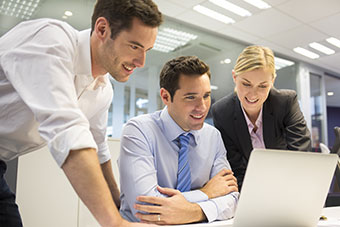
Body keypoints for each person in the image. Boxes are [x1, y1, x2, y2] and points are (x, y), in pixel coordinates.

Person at [0, 0, 162, 226]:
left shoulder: (103, 89)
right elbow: (66, 129)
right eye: (134, 46)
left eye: (147, 50)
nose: (141, 62)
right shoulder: (50, 41)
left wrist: (120, 207)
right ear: (102, 29)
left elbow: (98, 149)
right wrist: (115, 223)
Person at [118, 56, 239, 225]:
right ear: (166, 97)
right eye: (191, 97)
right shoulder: (139, 131)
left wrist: (194, 212)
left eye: (206, 96)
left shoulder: (213, 136)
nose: (203, 107)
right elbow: (145, 206)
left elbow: (232, 199)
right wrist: (206, 193)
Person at [211, 45, 312, 190]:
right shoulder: (222, 112)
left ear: (272, 81)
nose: (253, 95)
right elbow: (236, 169)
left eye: (263, 86)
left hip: (289, 186)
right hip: (249, 189)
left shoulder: (286, 102)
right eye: (246, 84)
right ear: (234, 77)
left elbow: (301, 155)